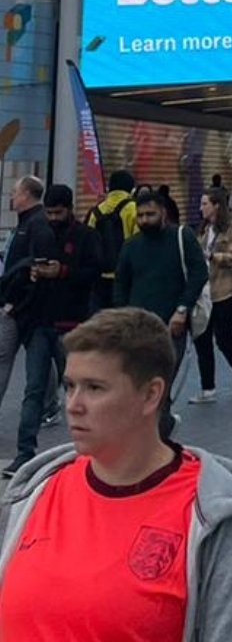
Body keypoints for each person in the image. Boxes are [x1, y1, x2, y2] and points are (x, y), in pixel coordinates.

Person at [0, 307, 232, 642]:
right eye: (69, 386)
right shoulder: (34, 494)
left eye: (95, 388)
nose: (73, 405)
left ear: (151, 394)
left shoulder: (214, 520)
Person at [4, 185, 101, 477]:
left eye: (58, 212)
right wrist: (33, 272)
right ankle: (24, 454)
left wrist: (62, 271)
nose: (53, 217)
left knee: (81, 391)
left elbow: (95, 272)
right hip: (39, 322)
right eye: (49, 212)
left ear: (69, 209)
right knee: (34, 389)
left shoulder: (85, 237)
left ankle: (92, 453)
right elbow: (23, 266)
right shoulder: (41, 232)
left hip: (72, 325)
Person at [113, 190, 208, 433]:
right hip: (137, 329)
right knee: (139, 386)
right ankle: (158, 433)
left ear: (163, 213)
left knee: (160, 387)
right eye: (141, 215)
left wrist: (182, 309)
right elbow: (121, 285)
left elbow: (199, 273)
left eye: (150, 214)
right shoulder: (131, 246)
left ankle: (158, 440)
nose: (144, 220)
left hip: (170, 327)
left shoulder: (181, 237)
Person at [189, 187, 232, 404]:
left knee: (225, 340)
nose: (201, 208)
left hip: (224, 290)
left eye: (205, 203)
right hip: (204, 291)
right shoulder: (203, 229)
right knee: (202, 338)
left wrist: (211, 255)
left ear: (216, 205)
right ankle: (208, 388)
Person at [0, 176, 51, 417]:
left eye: (15, 192)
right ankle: (50, 404)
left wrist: (13, 304)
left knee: (3, 357)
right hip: (20, 306)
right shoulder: (26, 223)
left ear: (27, 195)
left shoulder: (36, 224)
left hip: (19, 307)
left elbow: (33, 269)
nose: (12, 196)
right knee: (39, 361)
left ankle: (49, 405)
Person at [85, 169, 138, 313]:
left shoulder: (96, 211)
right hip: (125, 276)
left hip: (99, 278)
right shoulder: (133, 208)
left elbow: (89, 242)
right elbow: (139, 242)